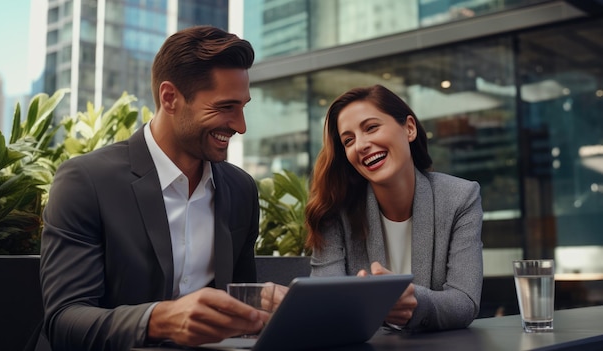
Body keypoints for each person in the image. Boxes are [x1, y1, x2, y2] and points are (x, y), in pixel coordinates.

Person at [39, 26, 267, 351]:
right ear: (170, 98)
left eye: (243, 106)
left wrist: (265, 305)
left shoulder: (240, 189)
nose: (241, 126)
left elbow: (238, 311)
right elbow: (65, 320)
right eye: (225, 107)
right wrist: (160, 319)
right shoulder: (85, 182)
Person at [305, 84, 483, 331]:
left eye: (371, 128)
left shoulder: (460, 198)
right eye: (348, 140)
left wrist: (414, 302)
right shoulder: (334, 211)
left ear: (409, 128)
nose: (361, 145)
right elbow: (326, 302)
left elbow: (464, 302)